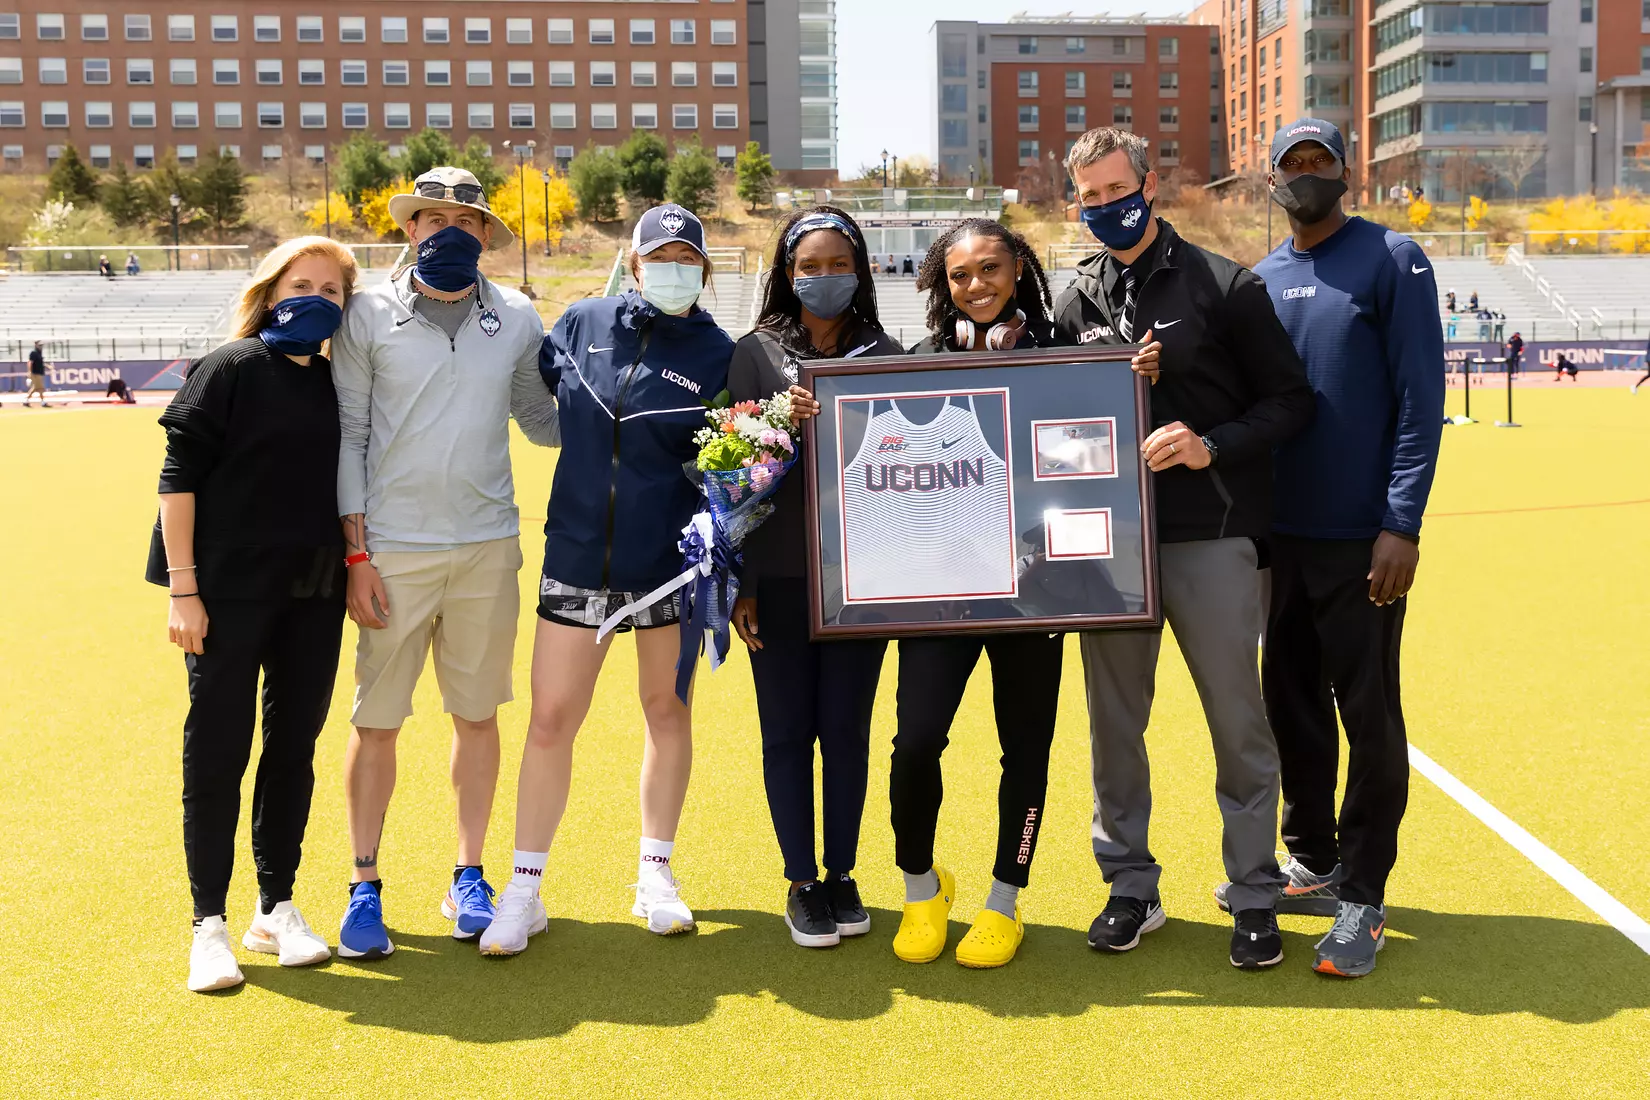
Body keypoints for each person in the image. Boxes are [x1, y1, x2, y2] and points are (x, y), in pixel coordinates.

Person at [1052, 127, 1314, 970]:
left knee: (1238, 723)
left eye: (1115, 189)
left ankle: (1253, 893)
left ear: (1150, 183)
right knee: (1114, 729)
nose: (1104, 207)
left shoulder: (1226, 284)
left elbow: (1290, 404)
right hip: (1108, 547)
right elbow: (1055, 429)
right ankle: (1130, 885)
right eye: (1088, 197)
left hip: (1213, 534)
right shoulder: (1074, 297)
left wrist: (1208, 443)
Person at [478, 203, 735, 956]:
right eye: (660, 254)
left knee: (666, 711)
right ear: (633, 258)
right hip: (577, 558)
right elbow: (538, 403)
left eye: (687, 255)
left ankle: (655, 874)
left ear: (704, 267)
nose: (673, 266)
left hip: (668, 571)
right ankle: (523, 891)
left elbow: (730, 464)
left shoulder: (721, 353)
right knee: (551, 719)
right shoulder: (581, 322)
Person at [329, 167, 560, 960]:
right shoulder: (364, 315)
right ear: (410, 228)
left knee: (477, 714)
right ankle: (364, 883)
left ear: (486, 234)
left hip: (488, 546)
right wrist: (356, 551)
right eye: (433, 218)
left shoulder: (520, 315)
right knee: (377, 719)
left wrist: (621, 409)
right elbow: (349, 433)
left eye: (466, 219)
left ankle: (469, 874)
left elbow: (541, 420)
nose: (449, 231)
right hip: (392, 548)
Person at [1252, 118, 1445, 978]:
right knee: (1289, 704)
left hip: (1363, 542)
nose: (1304, 177)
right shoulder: (1258, 279)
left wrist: (1401, 523)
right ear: (1271, 182)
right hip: (1277, 541)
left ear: (1345, 172)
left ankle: (1363, 894)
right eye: (1290, 166)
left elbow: (1420, 398)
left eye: (1318, 163)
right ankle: (1315, 861)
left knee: (1367, 717)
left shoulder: (1392, 259)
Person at [147, 235, 360, 992]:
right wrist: (183, 591)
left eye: (332, 291)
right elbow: (177, 478)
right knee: (219, 752)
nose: (315, 298)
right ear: (271, 292)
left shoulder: (337, 383)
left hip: (312, 594)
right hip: (225, 594)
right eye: (301, 284)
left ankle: (275, 908)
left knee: (291, 748)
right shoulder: (229, 368)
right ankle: (209, 924)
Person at [876, 218, 1065, 971]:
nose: (977, 285)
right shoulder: (917, 364)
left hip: (1033, 595)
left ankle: (1003, 901)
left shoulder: (1064, 359)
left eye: (990, 268)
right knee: (916, 740)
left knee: (1026, 748)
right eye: (960, 275)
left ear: (1017, 269)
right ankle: (922, 888)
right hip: (939, 592)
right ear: (939, 283)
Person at [726, 207, 898, 949]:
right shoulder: (755, 354)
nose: (824, 278)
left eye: (839, 265)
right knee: (787, 733)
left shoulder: (887, 352)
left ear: (859, 270)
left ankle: (842, 872)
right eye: (810, 266)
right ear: (787, 272)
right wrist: (745, 583)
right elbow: (731, 475)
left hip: (863, 579)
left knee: (848, 733)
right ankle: (801, 880)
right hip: (783, 579)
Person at [24, 341, 49, 407]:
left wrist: (48, 366)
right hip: (35, 373)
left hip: (39, 373)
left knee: (35, 388)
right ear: (36, 345)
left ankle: (26, 401)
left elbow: (40, 363)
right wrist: (29, 371)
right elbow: (30, 362)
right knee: (40, 388)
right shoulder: (34, 353)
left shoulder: (39, 353)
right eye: (39, 345)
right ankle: (43, 402)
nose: (41, 347)